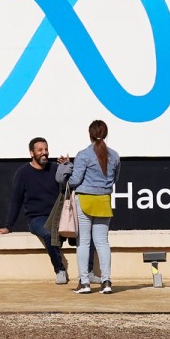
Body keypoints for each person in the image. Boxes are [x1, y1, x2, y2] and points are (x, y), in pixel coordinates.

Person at [0, 137, 71, 284]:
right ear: (32, 153)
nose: (44, 153)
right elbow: (16, 201)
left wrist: (67, 166)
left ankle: (88, 273)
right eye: (40, 150)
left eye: (46, 149)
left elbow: (72, 184)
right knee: (48, 233)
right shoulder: (23, 173)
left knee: (84, 231)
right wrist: (8, 226)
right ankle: (60, 270)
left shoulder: (55, 169)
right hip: (37, 219)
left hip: (58, 215)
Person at [65, 120, 121, 294]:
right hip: (104, 200)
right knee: (102, 242)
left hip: (85, 200)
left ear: (89, 134)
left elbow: (75, 180)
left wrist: (66, 171)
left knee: (83, 242)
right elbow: (115, 179)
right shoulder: (115, 156)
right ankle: (106, 282)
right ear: (106, 134)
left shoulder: (83, 155)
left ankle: (84, 283)